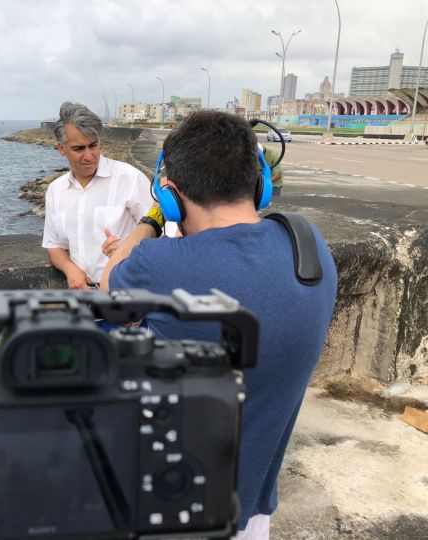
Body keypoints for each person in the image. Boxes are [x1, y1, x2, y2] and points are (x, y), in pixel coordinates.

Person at [100, 111, 337, 539]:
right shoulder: (309, 245)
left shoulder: (159, 264)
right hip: (252, 510)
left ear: (170, 193)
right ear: (259, 180)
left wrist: (151, 220)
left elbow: (109, 281)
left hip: (169, 504)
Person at [42, 101, 155, 290]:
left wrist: (127, 250)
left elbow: (162, 235)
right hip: (81, 298)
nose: (89, 155)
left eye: (93, 145)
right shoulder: (55, 191)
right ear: (61, 149)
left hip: (127, 296)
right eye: (79, 149)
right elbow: (54, 245)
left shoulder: (131, 179)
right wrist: (69, 268)